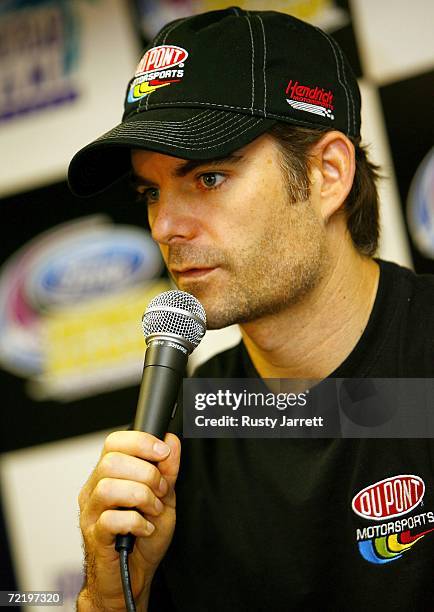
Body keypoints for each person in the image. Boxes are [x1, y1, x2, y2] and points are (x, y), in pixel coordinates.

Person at [68, 7, 434, 611]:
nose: (164, 226)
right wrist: (109, 594)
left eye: (208, 178)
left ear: (327, 173)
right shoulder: (180, 438)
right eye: (151, 192)